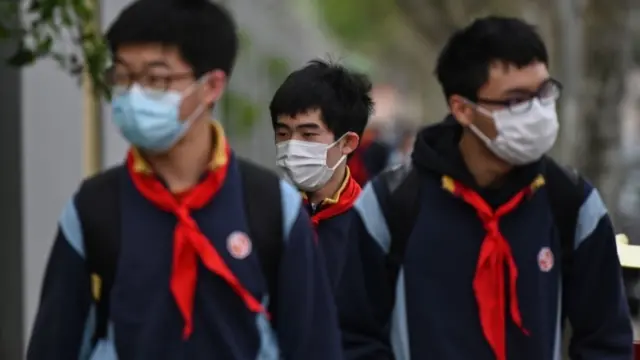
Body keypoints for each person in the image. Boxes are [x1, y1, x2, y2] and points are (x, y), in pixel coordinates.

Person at [27, 1, 342, 359]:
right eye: (124, 76)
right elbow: (55, 344)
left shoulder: (271, 207)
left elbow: (314, 344)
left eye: (157, 79)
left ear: (211, 86)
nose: (133, 95)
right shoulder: (94, 209)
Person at [335, 16, 632, 360]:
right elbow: (351, 336)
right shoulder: (390, 205)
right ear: (463, 110)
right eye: (516, 100)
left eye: (543, 92)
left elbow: (607, 339)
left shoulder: (574, 204)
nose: (537, 112)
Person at [270, 59, 373, 288]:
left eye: (308, 135)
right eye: (283, 133)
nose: (292, 146)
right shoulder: (264, 212)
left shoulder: (369, 225)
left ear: (347, 142)